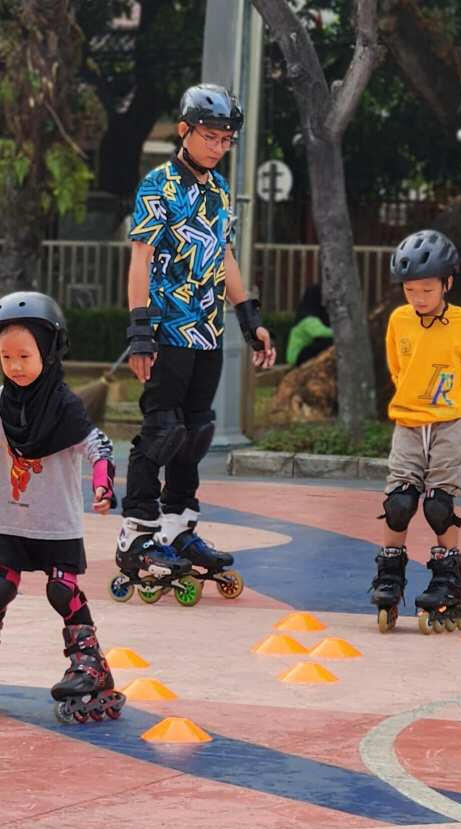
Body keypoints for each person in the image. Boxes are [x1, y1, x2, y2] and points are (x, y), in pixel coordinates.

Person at [117, 83, 275, 601]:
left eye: (227, 140)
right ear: (185, 131)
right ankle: (136, 537)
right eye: (210, 136)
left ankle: (178, 530)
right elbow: (139, 261)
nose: (218, 146)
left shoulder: (220, 191)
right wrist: (140, 332)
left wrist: (249, 319)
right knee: (161, 431)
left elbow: (224, 258)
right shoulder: (156, 186)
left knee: (196, 432)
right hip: (166, 330)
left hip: (207, 332)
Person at [0, 293, 121, 722]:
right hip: (15, 525)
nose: (15, 365)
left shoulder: (66, 407)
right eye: (6, 356)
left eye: (25, 355)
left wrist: (103, 487)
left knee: (63, 590)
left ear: (49, 352)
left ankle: (90, 663)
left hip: (57, 526)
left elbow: (100, 448)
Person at [369, 229, 461, 634]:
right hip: (408, 422)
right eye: (410, 290)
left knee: (439, 505)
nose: (418, 298)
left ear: (447, 284)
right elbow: (396, 368)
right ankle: (390, 572)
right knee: (399, 502)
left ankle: (448, 581)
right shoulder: (399, 320)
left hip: (451, 423)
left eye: (426, 289)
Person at [286, 284, 334, 366]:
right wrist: (342, 333)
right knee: (328, 343)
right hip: (297, 356)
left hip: (304, 352)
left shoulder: (315, 315)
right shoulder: (307, 317)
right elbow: (320, 333)